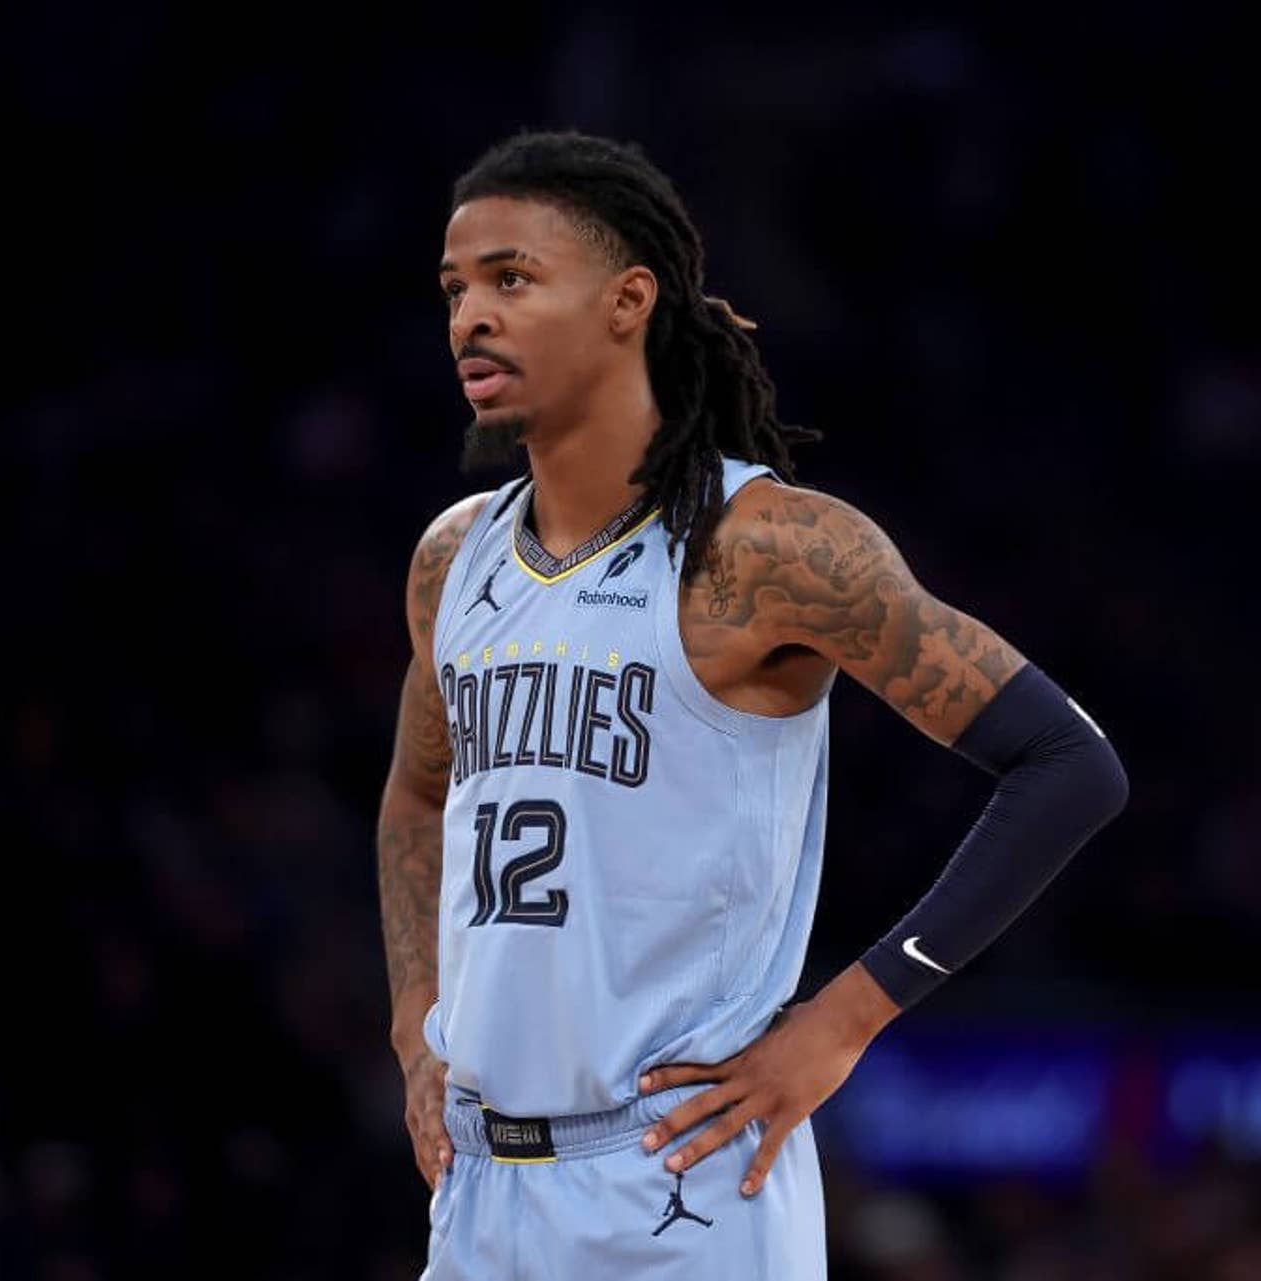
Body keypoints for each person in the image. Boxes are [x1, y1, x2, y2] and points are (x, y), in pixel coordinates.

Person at [377, 128, 1129, 1280]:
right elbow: (420, 792)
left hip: (677, 1178)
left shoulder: (765, 547)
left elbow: (1068, 765)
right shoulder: (453, 558)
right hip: (480, 1191)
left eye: (511, 279)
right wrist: (414, 1015)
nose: (468, 315)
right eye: (456, 287)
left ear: (629, 299)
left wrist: (844, 1023)